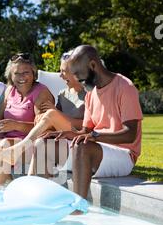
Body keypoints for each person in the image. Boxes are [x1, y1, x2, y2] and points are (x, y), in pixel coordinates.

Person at [32, 45, 143, 210]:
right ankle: (40, 203)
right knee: (43, 145)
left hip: (123, 154)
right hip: (94, 149)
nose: (78, 81)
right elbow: (85, 131)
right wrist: (65, 134)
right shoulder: (91, 94)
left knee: (82, 147)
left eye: (80, 76)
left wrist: (95, 136)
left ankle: (78, 208)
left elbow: (130, 135)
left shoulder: (125, 87)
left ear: (93, 66)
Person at [0, 51, 86, 179]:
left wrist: (54, 114)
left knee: (50, 116)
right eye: (61, 71)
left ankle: (17, 151)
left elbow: (88, 126)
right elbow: (52, 125)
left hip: (77, 137)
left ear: (77, 71)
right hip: (61, 138)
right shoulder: (63, 94)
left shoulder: (90, 94)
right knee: (38, 141)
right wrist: (45, 118)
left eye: (64, 71)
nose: (61, 76)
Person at [0, 53, 55, 185]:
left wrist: (16, 125)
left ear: (33, 73)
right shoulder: (9, 91)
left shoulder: (41, 93)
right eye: (17, 73)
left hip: (32, 145)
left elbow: (47, 127)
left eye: (26, 72)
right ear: (11, 75)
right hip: (9, 141)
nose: (21, 77)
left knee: (4, 145)